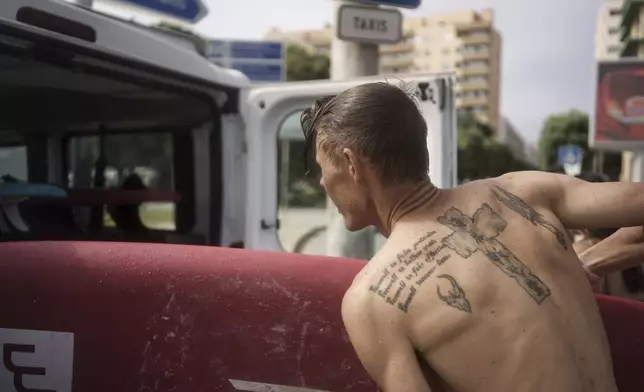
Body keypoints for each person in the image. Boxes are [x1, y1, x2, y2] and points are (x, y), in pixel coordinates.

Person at [300, 82, 636, 392]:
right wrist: (591, 261)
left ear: (351, 164)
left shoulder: (372, 300)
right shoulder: (525, 191)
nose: (323, 183)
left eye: (322, 167)